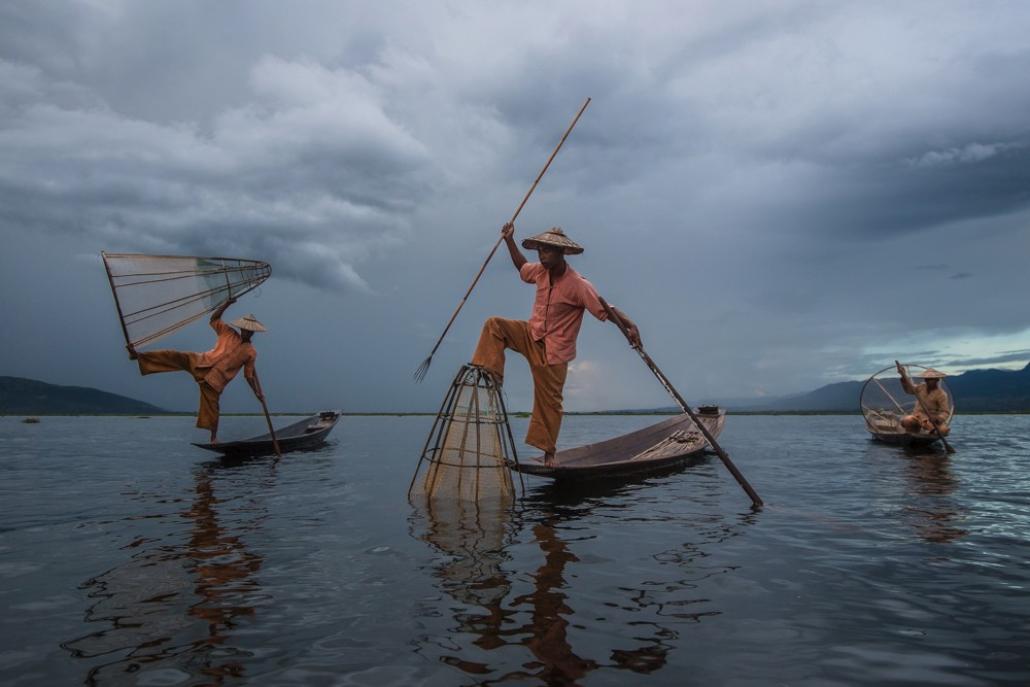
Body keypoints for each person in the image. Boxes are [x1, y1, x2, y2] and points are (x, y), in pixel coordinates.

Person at [471, 222, 640, 466]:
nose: (542, 255)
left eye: (547, 250)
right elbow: (521, 267)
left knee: (549, 403)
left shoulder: (579, 285)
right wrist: (509, 240)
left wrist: (630, 325)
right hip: (532, 335)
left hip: (555, 352)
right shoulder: (540, 271)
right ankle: (491, 373)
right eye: (540, 250)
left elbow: (605, 309)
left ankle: (549, 452)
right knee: (494, 325)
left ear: (561, 253)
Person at [128, 298, 266, 443]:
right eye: (245, 330)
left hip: (216, 381)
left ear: (253, 333)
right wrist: (226, 304)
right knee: (175, 356)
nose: (246, 333)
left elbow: (248, 376)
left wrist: (257, 393)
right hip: (202, 362)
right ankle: (138, 356)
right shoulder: (228, 332)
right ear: (241, 328)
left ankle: (213, 439)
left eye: (249, 331)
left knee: (213, 409)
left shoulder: (250, 352)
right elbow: (214, 319)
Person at [895, 361, 950, 436]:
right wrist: (903, 375)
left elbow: (945, 412)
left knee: (944, 430)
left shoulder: (941, 394)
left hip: (931, 418)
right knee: (907, 421)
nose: (928, 381)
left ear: (937, 380)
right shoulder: (921, 387)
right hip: (917, 416)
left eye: (931, 379)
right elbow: (909, 389)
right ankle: (913, 434)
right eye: (926, 379)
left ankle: (931, 430)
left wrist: (938, 418)